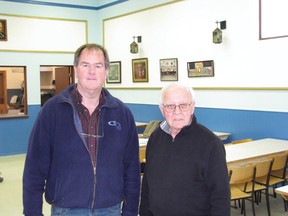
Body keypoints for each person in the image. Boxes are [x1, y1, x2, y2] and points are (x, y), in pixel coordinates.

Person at [23, 43, 141, 216]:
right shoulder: (52, 111)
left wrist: (130, 211)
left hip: (110, 210)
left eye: (98, 66)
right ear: (76, 70)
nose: (91, 71)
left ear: (107, 71)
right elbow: (34, 167)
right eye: (85, 65)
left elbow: (131, 168)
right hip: (66, 209)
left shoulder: (122, 114)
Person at [139, 83, 230, 216]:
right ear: (162, 110)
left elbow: (220, 196)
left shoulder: (211, 144)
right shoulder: (155, 138)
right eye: (170, 106)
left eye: (183, 105)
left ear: (192, 107)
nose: (177, 112)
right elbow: (147, 184)